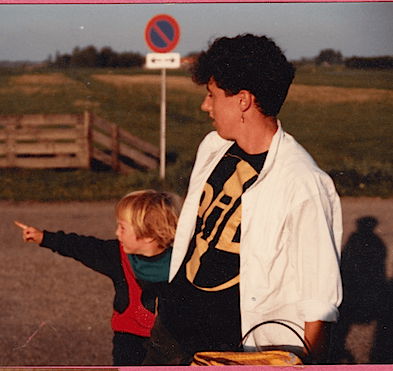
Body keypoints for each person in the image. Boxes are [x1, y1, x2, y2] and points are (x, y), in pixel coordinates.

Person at [143, 34, 343, 365]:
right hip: (171, 332)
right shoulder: (213, 147)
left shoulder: (302, 182)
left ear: (243, 100)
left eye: (211, 95)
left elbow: (319, 301)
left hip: (231, 354)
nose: (205, 105)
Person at [14, 190, 181, 366]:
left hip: (170, 342)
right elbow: (82, 247)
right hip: (130, 339)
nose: (117, 232)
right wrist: (44, 237)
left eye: (122, 227)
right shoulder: (117, 255)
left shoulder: (183, 264)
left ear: (147, 235)